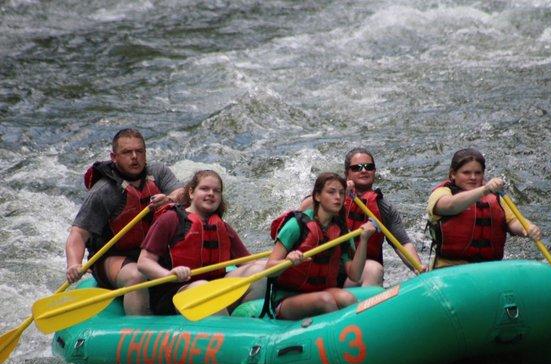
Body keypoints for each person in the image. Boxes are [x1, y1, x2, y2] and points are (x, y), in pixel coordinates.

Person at [65, 128, 184, 315]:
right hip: (113, 257)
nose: (134, 157)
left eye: (139, 151)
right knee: (136, 276)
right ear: (114, 157)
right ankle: (138, 331)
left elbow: (182, 193)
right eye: (127, 152)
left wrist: (169, 199)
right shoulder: (104, 191)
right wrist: (74, 264)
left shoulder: (158, 173)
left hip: (153, 253)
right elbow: (78, 233)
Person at [137, 170, 266, 316]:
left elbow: (248, 262)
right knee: (202, 287)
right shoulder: (170, 219)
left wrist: (277, 262)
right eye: (204, 189)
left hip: (213, 288)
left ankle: (242, 321)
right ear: (191, 193)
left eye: (216, 191)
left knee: (259, 271)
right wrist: (168, 274)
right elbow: (144, 262)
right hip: (175, 292)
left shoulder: (223, 227)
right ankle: (223, 326)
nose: (211, 193)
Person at [300, 148, 424, 286]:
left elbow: (402, 243)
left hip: (360, 275)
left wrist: (418, 268)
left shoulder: (383, 207)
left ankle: (367, 304)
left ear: (374, 171)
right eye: (357, 168)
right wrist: (342, 191)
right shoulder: (331, 197)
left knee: (374, 269)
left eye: (369, 167)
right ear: (347, 174)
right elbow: (302, 211)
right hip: (327, 273)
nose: (364, 170)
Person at [267, 172, 376, 320]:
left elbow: (355, 275)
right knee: (325, 300)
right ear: (317, 196)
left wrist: (363, 240)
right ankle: (338, 339)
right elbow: (269, 269)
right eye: (331, 192)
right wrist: (288, 261)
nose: (338, 197)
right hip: (287, 298)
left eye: (342, 193)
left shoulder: (342, 232)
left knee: (348, 299)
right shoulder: (296, 225)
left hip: (323, 290)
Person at [427, 148, 542, 268]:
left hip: (488, 269)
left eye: (478, 173)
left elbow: (513, 221)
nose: (473, 177)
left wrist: (527, 228)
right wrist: (484, 189)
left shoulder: (496, 198)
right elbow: (450, 206)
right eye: (466, 173)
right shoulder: (441, 193)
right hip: (448, 268)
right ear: (453, 174)